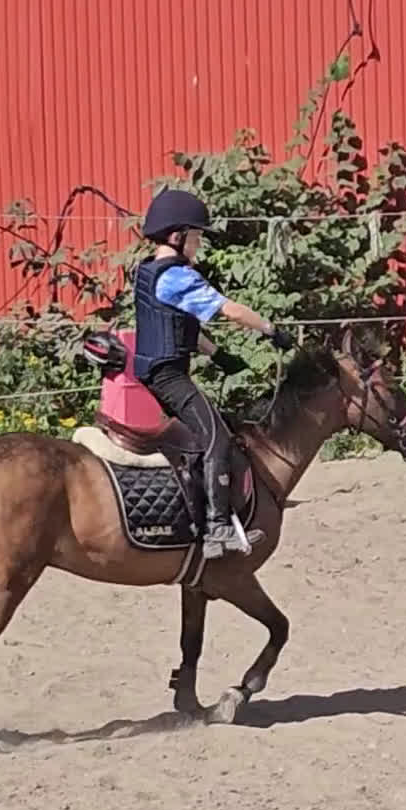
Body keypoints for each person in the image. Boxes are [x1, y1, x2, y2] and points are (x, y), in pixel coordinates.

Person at [133, 188, 294, 559]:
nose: (199, 243)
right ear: (178, 236)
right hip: (168, 376)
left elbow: (179, 327)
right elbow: (230, 310)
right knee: (217, 437)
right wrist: (270, 330)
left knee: (204, 431)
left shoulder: (149, 271)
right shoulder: (177, 277)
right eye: (196, 236)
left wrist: (218, 355)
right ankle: (217, 528)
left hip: (156, 370)